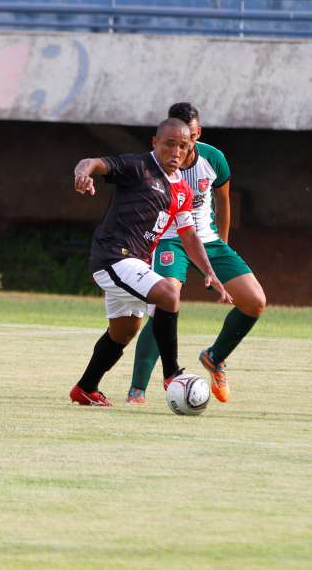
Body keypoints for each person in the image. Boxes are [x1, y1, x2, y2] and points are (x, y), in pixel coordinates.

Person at [70, 117, 232, 407]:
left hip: (135, 264)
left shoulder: (181, 189)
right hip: (113, 257)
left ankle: (86, 388)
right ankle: (172, 374)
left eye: (183, 146)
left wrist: (210, 271)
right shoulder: (138, 167)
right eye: (169, 144)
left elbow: (189, 235)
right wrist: (84, 172)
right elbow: (92, 161)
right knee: (169, 294)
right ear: (155, 143)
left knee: (125, 330)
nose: (176, 152)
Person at [127, 103, 266, 405]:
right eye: (175, 139)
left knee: (255, 302)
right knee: (165, 301)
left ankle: (215, 358)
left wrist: (223, 246)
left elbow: (224, 201)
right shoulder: (157, 162)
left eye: (188, 138)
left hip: (208, 240)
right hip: (170, 240)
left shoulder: (213, 159)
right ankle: (137, 389)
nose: (181, 146)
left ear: (197, 134)